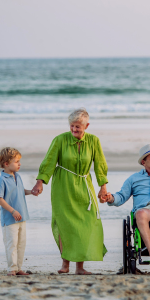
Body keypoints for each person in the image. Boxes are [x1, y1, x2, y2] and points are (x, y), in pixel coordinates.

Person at [31, 108, 109, 275]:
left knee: (84, 224)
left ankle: (80, 267)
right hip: (63, 185)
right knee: (65, 224)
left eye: (78, 127)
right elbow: (49, 162)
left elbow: (100, 165)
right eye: (72, 126)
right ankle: (65, 264)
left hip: (84, 184)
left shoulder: (94, 141)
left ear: (86, 126)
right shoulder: (59, 140)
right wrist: (40, 182)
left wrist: (103, 186)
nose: (74, 130)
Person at [0, 147, 35, 276]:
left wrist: (31, 192)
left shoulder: (17, 176)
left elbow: (20, 192)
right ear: (6, 164)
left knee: (21, 245)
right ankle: (11, 269)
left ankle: (18, 269)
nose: (19, 164)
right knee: (11, 244)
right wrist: (13, 211)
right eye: (16, 161)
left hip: (22, 217)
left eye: (19, 161)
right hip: (10, 219)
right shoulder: (2, 180)